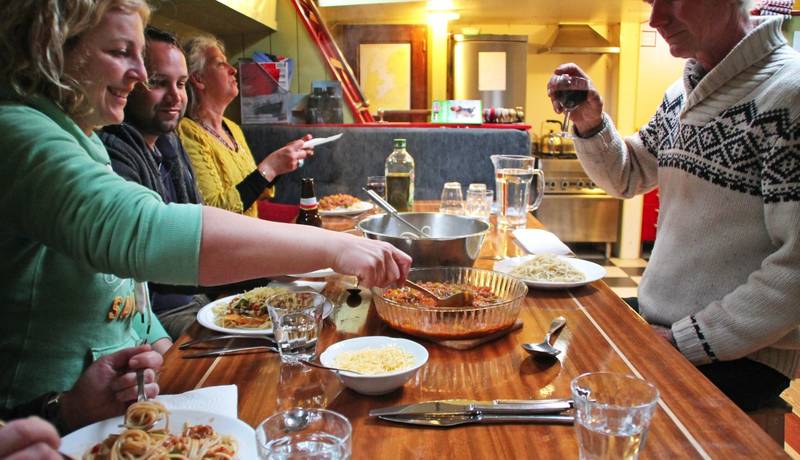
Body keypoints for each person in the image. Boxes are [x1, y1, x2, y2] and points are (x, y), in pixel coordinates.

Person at [0, 0, 410, 434]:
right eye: (121, 52)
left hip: (104, 414)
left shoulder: (86, 140)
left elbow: (124, 283)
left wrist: (157, 341)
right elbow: (142, 231)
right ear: (50, 48)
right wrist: (337, 246)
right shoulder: (17, 132)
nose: (138, 73)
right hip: (38, 427)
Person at [547, 0, 800, 411]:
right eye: (651, 2)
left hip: (737, 355)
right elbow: (627, 174)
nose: (656, 18)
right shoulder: (681, 94)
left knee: (579, 403)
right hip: (661, 322)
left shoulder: (789, 95)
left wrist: (685, 340)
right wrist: (591, 122)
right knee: (552, 346)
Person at [99, 26, 209, 340]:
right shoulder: (112, 150)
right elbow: (166, 241)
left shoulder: (169, 144)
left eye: (182, 83)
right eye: (159, 83)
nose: (175, 96)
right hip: (160, 313)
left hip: (197, 297)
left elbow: (198, 220)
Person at [178, 34, 310, 217]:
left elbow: (255, 193)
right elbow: (214, 212)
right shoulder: (187, 131)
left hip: (252, 235)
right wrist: (270, 167)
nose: (233, 70)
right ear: (199, 78)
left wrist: (280, 165)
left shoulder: (233, 129)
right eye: (220, 64)